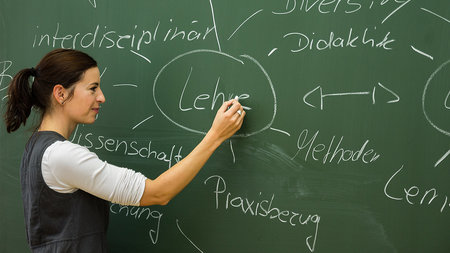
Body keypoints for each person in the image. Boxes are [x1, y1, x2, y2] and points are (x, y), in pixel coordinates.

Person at [3, 48, 245, 252]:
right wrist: (215, 136)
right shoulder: (61, 156)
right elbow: (158, 193)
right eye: (93, 88)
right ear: (60, 93)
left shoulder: (37, 147)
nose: (102, 97)